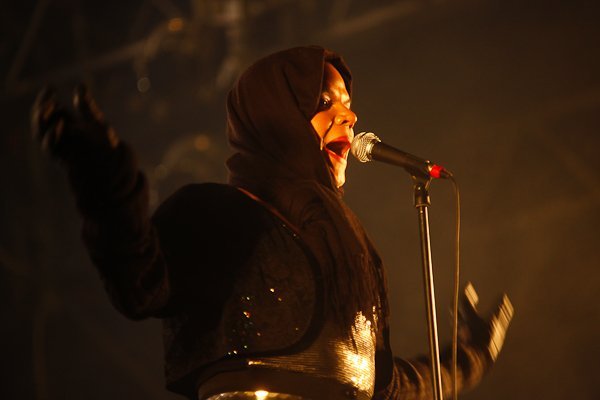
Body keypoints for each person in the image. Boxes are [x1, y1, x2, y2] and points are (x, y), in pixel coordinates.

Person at [32, 46, 513, 400]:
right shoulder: (216, 213)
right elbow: (139, 283)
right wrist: (109, 187)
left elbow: (387, 385)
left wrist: (472, 357)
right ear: (276, 116)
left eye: (348, 102)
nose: (350, 115)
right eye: (324, 101)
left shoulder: (353, 254)